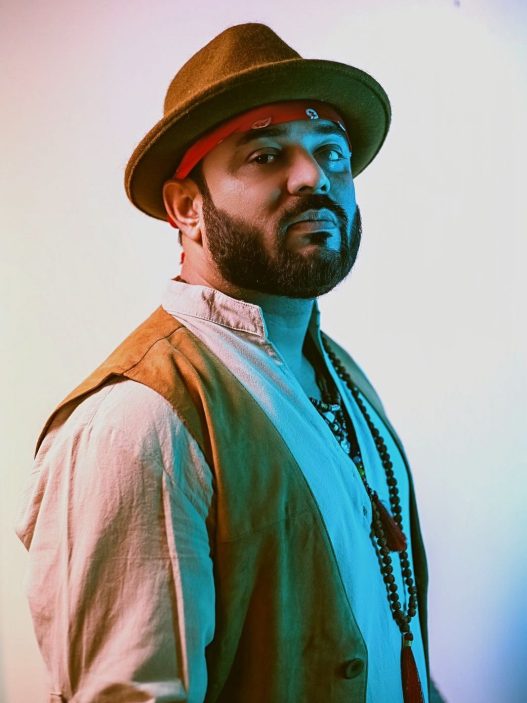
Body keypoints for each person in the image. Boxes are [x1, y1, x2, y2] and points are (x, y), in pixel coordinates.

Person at [16, 22, 446, 703]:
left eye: (331, 152)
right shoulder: (137, 424)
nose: (313, 176)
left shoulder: (340, 375)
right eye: (265, 155)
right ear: (186, 207)